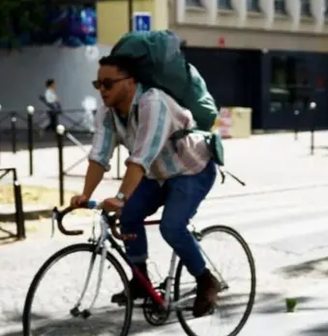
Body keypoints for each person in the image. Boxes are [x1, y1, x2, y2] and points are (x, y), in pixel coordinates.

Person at [70, 55, 220, 318]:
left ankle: (206, 280)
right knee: (127, 215)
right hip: (156, 176)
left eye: (108, 84)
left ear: (130, 82)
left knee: (172, 226)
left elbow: (141, 158)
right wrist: (85, 195)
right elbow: (98, 155)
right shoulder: (109, 112)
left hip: (191, 170)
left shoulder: (153, 103)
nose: (102, 91)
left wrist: (120, 196)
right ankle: (141, 281)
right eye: (98, 85)